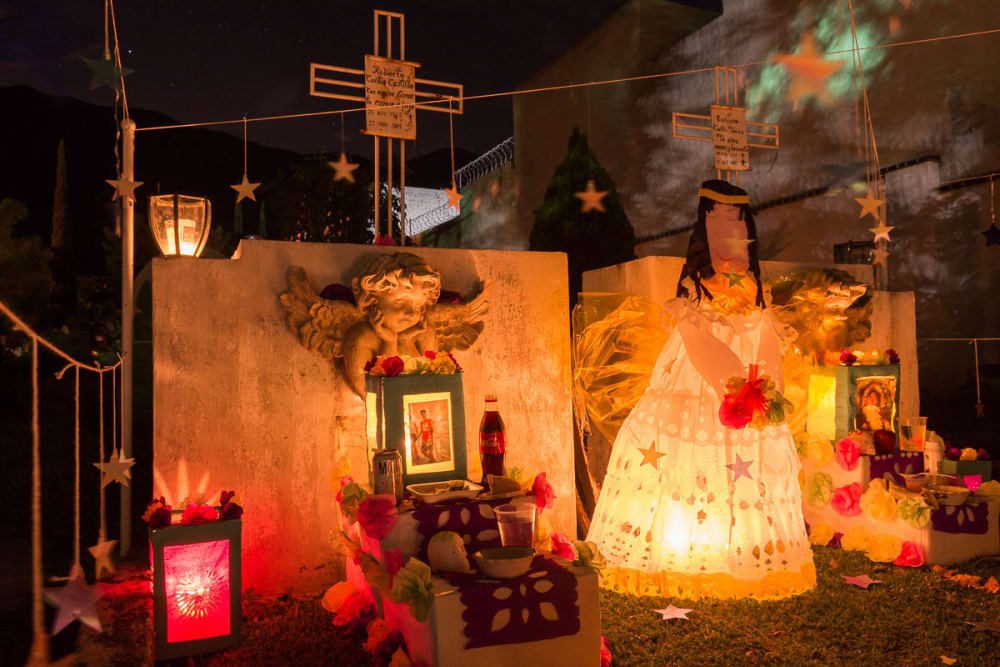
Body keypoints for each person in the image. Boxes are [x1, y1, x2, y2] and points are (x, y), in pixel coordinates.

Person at [586, 180, 816, 600]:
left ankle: (743, 546)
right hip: (707, 379)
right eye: (717, 217)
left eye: (736, 217)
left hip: (752, 383)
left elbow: (766, 337)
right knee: (687, 453)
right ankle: (683, 546)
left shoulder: (757, 290)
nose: (727, 226)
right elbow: (696, 340)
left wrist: (765, 387)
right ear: (704, 223)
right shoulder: (696, 287)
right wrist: (730, 384)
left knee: (749, 453)